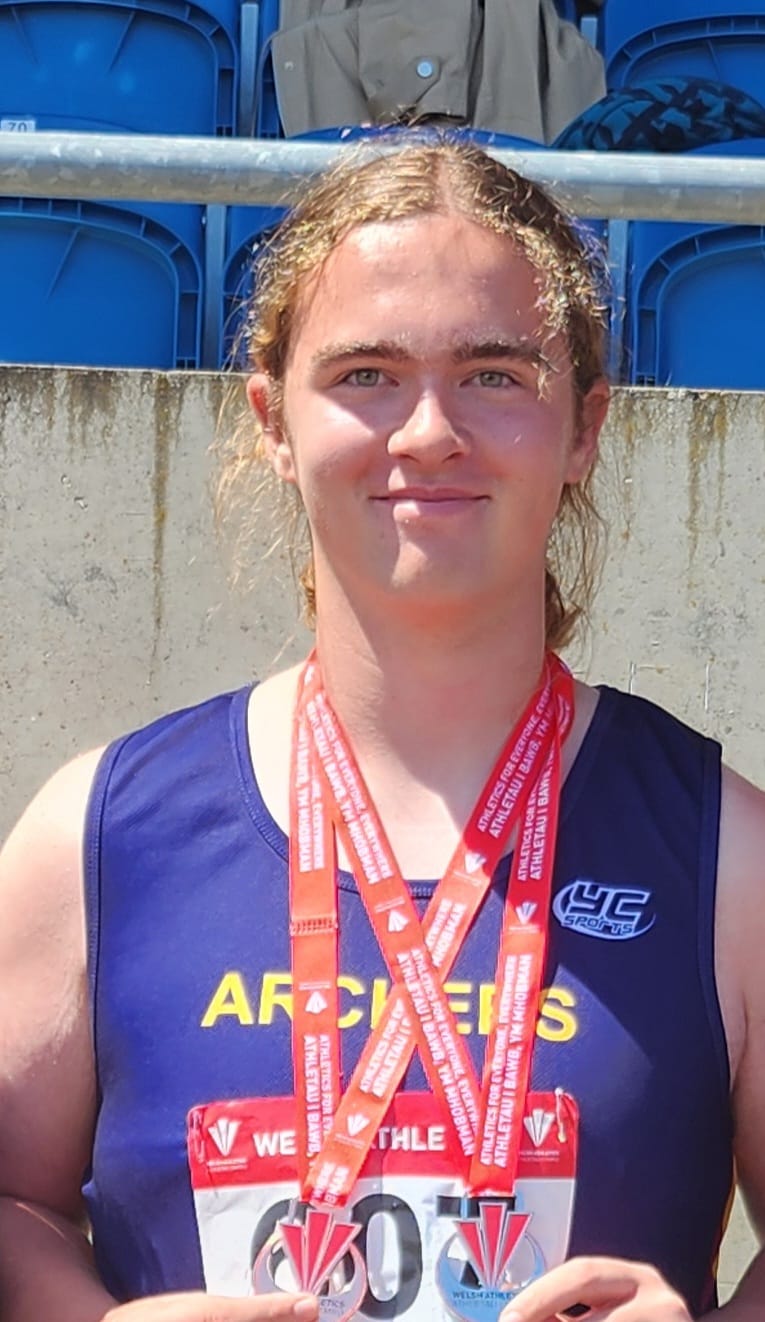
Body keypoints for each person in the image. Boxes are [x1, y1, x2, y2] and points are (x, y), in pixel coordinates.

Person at [1, 136, 765, 1322]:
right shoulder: (96, 837)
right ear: (272, 419)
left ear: (584, 428)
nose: (427, 431)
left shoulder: (730, 858)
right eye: (366, 373)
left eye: (495, 373)